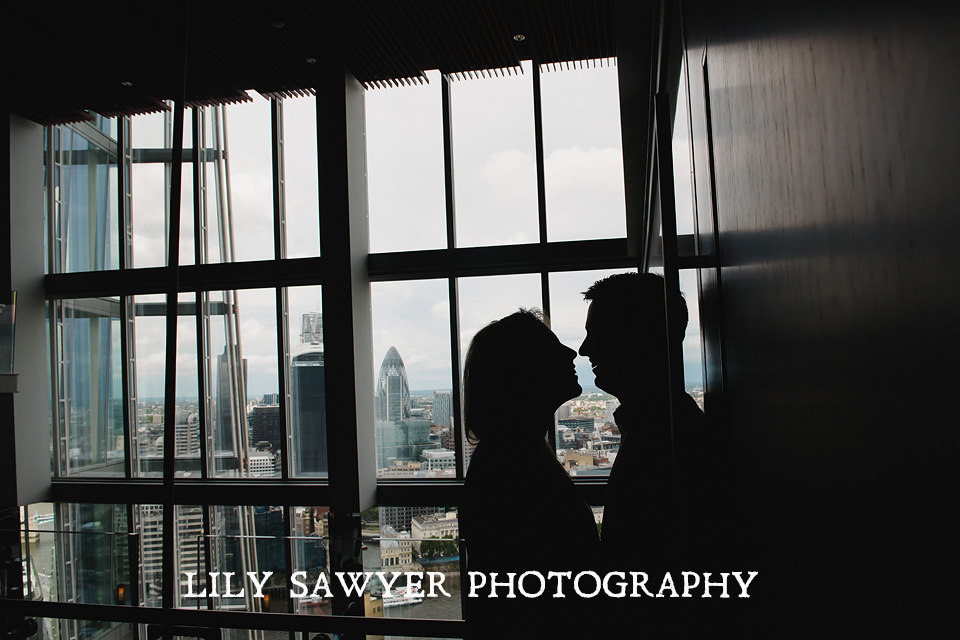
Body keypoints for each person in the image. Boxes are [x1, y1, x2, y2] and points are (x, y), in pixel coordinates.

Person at [459, 309, 599, 638]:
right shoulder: (514, 468)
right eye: (552, 348)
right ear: (524, 372)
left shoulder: (506, 459)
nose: (571, 352)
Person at [580, 273, 716, 570]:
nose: (584, 349)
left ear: (639, 337)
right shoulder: (671, 427)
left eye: (599, 333)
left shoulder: (664, 441)